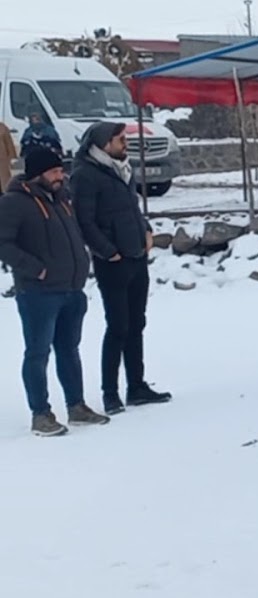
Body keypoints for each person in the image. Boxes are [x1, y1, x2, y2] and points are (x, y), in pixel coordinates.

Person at [0, 147, 102, 436]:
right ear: (37, 174)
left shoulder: (61, 199)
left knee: (69, 350)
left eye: (61, 170)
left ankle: (76, 406)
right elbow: (3, 243)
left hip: (71, 289)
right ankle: (40, 413)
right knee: (38, 353)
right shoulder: (13, 203)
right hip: (38, 293)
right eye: (55, 171)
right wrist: (35, 269)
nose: (61, 176)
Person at [70, 121, 167, 414]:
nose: (126, 143)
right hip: (113, 262)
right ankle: (110, 393)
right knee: (118, 326)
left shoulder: (123, 169)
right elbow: (84, 221)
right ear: (103, 144)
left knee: (137, 323)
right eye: (120, 139)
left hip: (137, 255)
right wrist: (107, 252)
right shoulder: (85, 175)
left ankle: (136, 386)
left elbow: (132, 207)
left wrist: (146, 230)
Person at [0, 120, 17, 189]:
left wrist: (12, 158)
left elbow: (9, 144)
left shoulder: (2, 127)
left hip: (2, 160)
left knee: (4, 183)